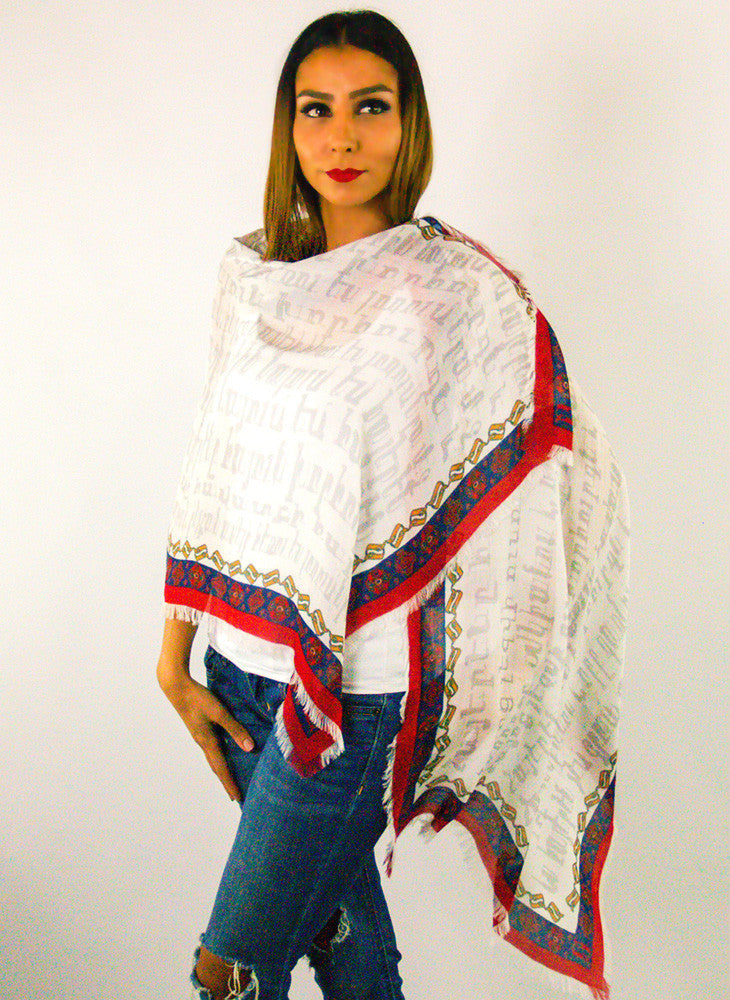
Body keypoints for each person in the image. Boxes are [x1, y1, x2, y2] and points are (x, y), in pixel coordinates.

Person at [157, 11, 629, 1000]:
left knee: (228, 969)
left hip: (352, 697)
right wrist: (174, 654)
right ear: (288, 128)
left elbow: (553, 458)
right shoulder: (253, 281)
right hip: (240, 672)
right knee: (344, 947)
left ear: (407, 123)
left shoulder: (451, 293)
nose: (342, 136)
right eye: (315, 110)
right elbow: (218, 469)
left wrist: (511, 641)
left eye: (370, 107)